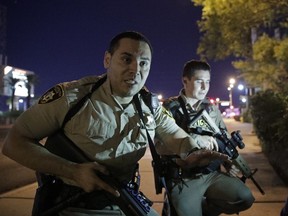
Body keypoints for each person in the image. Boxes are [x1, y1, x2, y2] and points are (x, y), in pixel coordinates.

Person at [2, 32, 229, 216]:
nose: (135, 69)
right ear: (107, 60)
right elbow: (14, 143)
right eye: (126, 59)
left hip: (124, 199)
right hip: (71, 205)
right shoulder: (73, 98)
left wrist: (192, 151)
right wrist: (73, 171)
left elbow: (176, 137)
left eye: (144, 63)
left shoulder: (149, 105)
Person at [157, 60, 255, 216]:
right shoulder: (170, 108)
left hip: (210, 174)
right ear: (185, 81)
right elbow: (158, 145)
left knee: (245, 198)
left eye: (208, 82)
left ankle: (205, 209)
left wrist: (229, 163)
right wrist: (193, 139)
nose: (204, 87)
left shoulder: (211, 108)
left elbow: (223, 139)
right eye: (199, 81)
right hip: (183, 179)